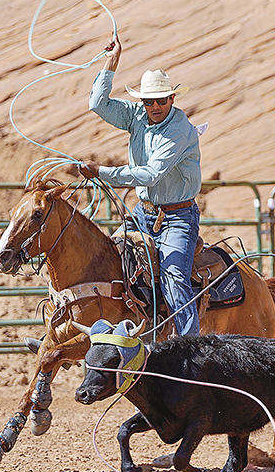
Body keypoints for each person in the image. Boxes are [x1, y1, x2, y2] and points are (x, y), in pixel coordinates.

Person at [79, 36, 202, 337]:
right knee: (108, 261)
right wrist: (111, 62)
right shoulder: (136, 116)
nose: (155, 106)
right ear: (143, 102)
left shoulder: (179, 131)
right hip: (143, 214)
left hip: (177, 218)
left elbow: (149, 175)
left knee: (174, 277)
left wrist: (101, 172)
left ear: (172, 99)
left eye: (161, 100)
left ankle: (191, 346)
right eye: (149, 101)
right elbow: (97, 104)